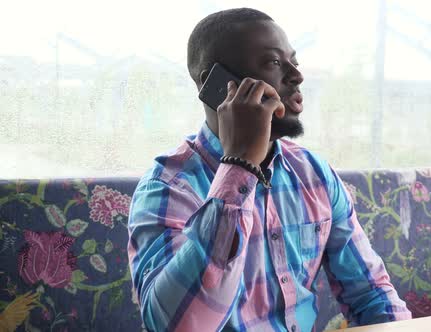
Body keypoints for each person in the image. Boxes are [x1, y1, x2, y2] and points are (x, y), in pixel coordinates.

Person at [127, 8, 411, 332]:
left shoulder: (314, 174)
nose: (296, 76)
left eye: (294, 61)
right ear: (218, 85)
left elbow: (371, 295)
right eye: (274, 62)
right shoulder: (168, 186)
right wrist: (240, 165)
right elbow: (178, 327)